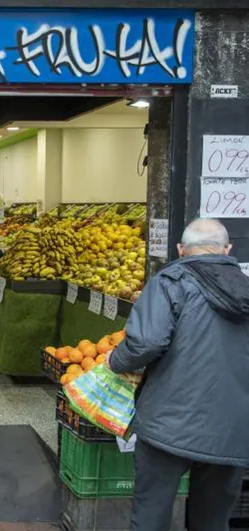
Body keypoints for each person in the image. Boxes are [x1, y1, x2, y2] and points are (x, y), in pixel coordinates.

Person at [107, 218, 249, 531]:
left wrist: (114, 361)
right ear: (227, 249)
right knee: (212, 521)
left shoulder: (170, 281)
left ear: (181, 249)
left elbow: (146, 341)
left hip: (168, 423)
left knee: (151, 516)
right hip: (232, 428)